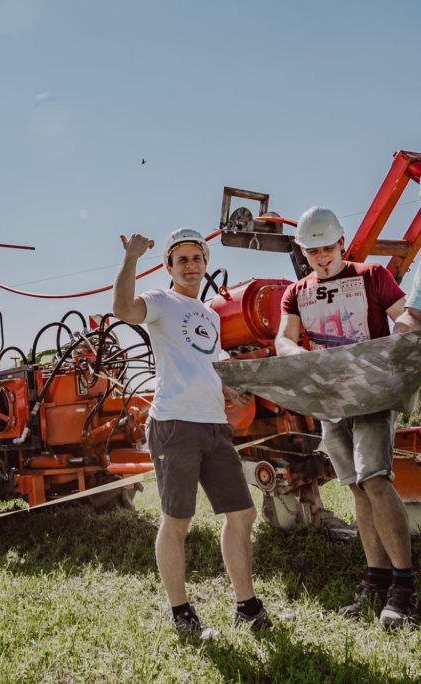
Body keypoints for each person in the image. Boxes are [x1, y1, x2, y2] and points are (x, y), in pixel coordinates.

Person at [114, 227, 270, 639]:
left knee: (242, 514)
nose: (190, 265)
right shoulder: (161, 302)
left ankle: (247, 606)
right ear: (168, 266)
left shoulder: (210, 315)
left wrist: (227, 390)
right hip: (174, 425)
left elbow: (207, 362)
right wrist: (130, 258)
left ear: (204, 263)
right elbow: (123, 309)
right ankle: (181, 613)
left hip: (214, 425)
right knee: (177, 520)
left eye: (196, 258)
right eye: (181, 259)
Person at [275, 205, 414, 628]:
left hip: (371, 396)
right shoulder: (296, 292)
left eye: (327, 247)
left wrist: (393, 350)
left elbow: (405, 317)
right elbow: (284, 339)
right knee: (355, 488)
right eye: (312, 250)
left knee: (374, 478)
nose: (321, 256)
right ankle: (375, 581)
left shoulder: (372, 276)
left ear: (341, 242)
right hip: (330, 401)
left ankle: (404, 588)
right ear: (304, 251)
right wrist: (299, 356)